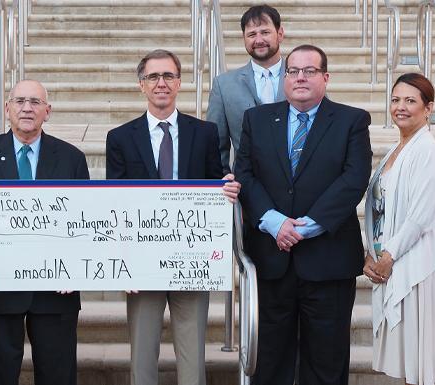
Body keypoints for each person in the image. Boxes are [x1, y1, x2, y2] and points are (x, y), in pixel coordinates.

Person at [234, 44, 372, 385]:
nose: (300, 78)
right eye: (293, 71)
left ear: (325, 77)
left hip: (328, 262)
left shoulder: (352, 120)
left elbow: (353, 180)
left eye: (309, 71)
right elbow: (245, 175)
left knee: (326, 361)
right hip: (271, 260)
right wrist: (275, 222)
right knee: (270, 361)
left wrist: (304, 228)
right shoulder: (257, 119)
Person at [105, 49, 240, 385]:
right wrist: (122, 260)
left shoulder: (205, 132)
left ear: (179, 83)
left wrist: (225, 185)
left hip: (191, 259)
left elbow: (215, 181)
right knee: (141, 353)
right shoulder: (120, 138)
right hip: (142, 259)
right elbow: (115, 202)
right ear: (141, 85)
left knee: (192, 353)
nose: (161, 83)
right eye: (153, 76)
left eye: (168, 76)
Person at [0, 79, 89, 385]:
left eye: (35, 102)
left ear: (48, 111)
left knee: (58, 375)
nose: (27, 108)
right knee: (0, 375)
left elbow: (87, 219)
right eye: (19, 101)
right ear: (7, 109)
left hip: (57, 286)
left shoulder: (71, 158)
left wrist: (76, 270)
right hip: (1, 285)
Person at [363, 73, 435, 385]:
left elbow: (420, 216)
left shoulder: (427, 150)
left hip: (413, 264)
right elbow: (378, 207)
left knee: (417, 360)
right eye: (396, 99)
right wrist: (369, 254)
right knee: (405, 360)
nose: (400, 107)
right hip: (390, 259)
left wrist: (387, 256)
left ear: (428, 108)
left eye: (410, 101)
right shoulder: (396, 149)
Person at [206, 4, 285, 172]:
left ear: (280, 33)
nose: (259, 40)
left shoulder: (304, 76)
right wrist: (224, 182)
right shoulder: (224, 85)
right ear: (244, 38)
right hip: (246, 190)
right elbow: (215, 145)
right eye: (251, 34)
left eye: (265, 32)